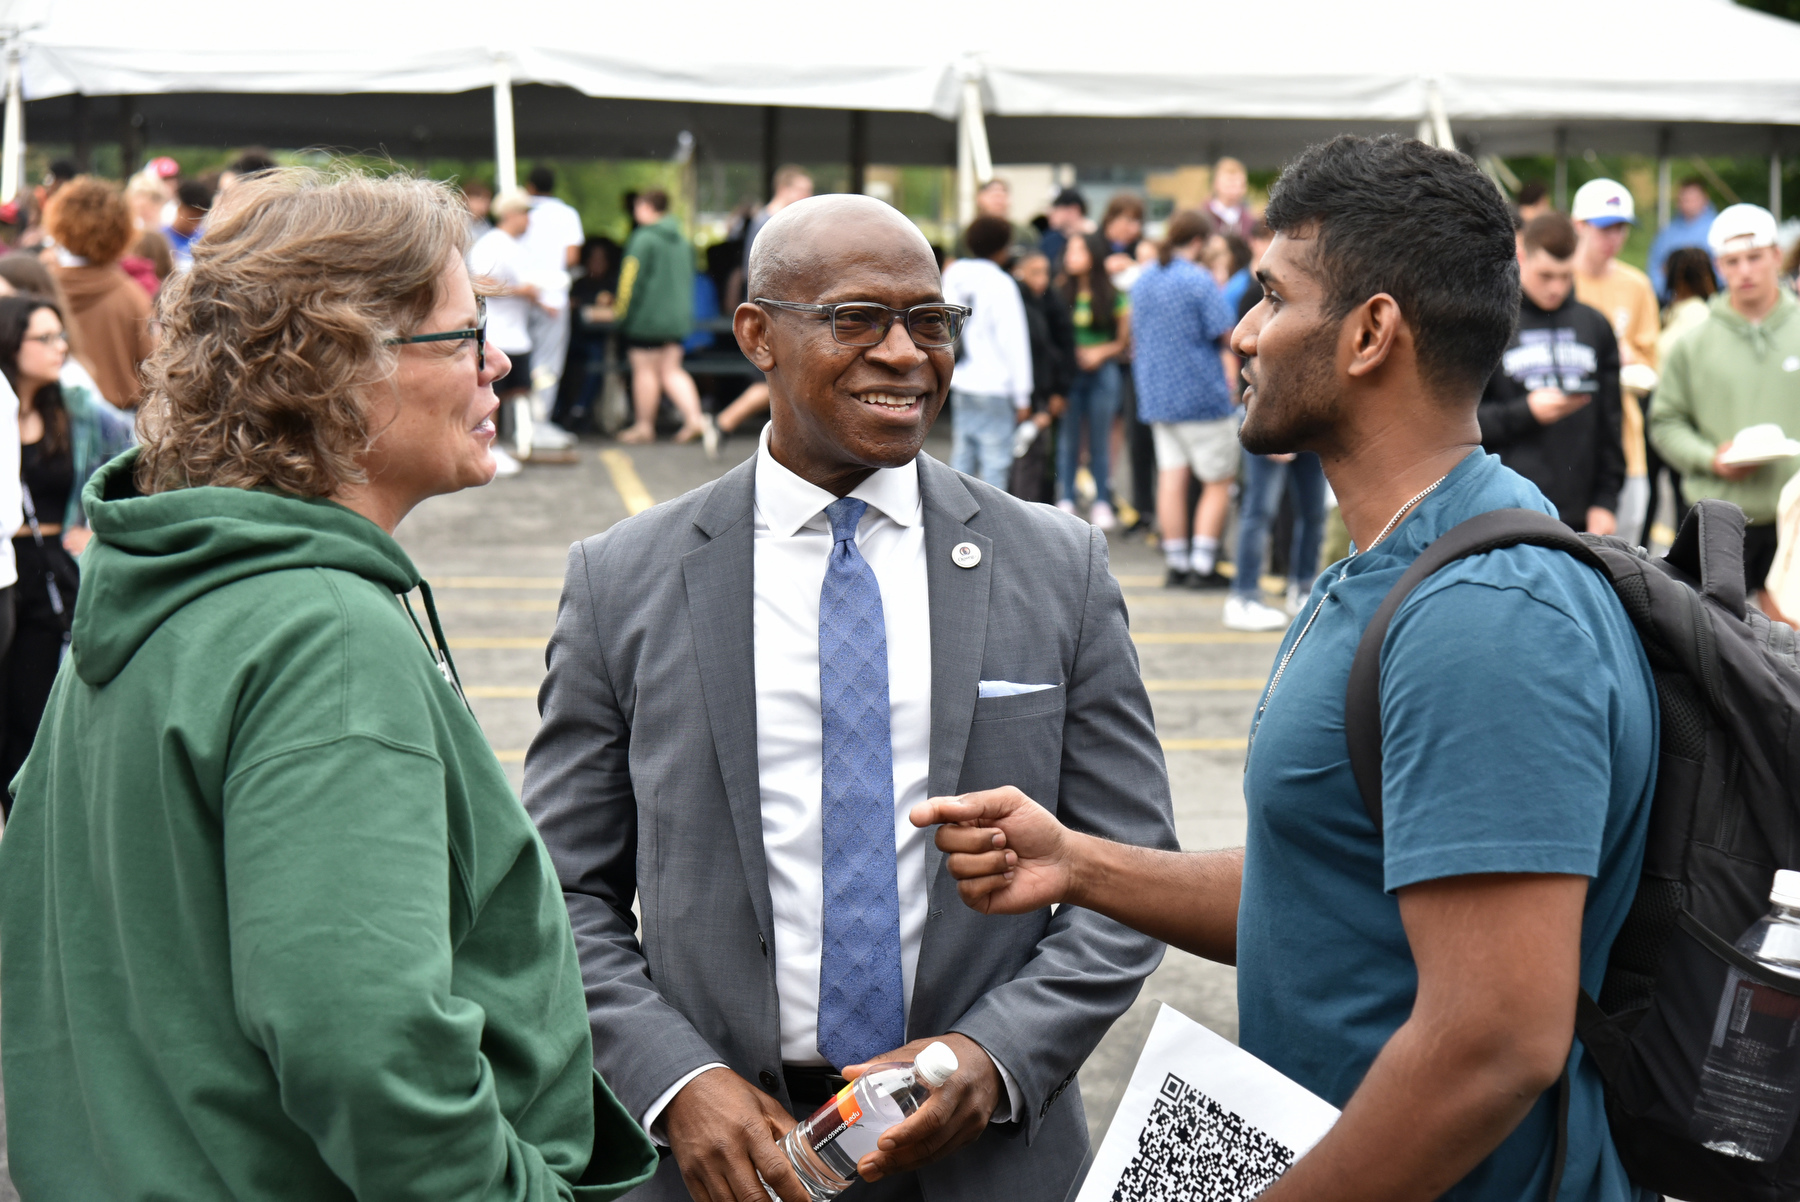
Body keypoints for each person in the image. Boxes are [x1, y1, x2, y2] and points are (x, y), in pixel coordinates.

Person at [917, 134, 1659, 1202]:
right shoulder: (1396, 564)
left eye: (1271, 295)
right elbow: (1331, 886)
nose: (1243, 330)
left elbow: (1493, 1044)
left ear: (1370, 332)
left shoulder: (1486, 615)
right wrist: (1080, 863)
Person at [0, 167, 658, 1198]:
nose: (497, 365)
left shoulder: (166, 589)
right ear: (335, 365)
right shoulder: (323, 636)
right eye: (463, 332)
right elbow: (365, 1040)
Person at [525, 192, 1177, 1202]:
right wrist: (673, 1078)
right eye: (857, 318)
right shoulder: (624, 578)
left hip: (985, 1156)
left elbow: (1129, 869)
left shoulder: (1060, 565)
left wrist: (993, 1054)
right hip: (723, 1157)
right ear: (758, 335)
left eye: (929, 321)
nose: (905, 353)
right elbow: (561, 891)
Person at [0, 295, 131, 791]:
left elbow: (131, 455)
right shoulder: (3, 408)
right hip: (8, 564)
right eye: (45, 338)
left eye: (61, 336)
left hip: (55, 565)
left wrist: (98, 522)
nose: (60, 348)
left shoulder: (73, 407)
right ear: (12, 343)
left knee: (31, 716)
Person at [1651, 202, 1800, 615]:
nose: (1745, 271)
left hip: (1794, 521)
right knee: (1719, 650)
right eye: (1732, 261)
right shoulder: (1692, 343)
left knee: (1791, 647)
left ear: (1775, 255)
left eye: (1754, 257)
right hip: (1717, 519)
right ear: (1718, 265)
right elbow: (1665, 422)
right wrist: (1710, 458)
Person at [1479, 211, 1623, 535]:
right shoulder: (1492, 324)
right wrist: (1526, 411)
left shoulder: (1595, 325)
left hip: (1581, 513)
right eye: (1546, 275)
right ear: (1523, 257)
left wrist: (1607, 500)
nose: (1556, 287)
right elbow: (1466, 422)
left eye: (1566, 276)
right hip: (1507, 507)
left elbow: (1611, 424)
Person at [1127, 210, 1239, 594]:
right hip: (1200, 394)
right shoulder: (1197, 280)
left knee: (1171, 478)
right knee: (1218, 480)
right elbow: (1225, 331)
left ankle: (1175, 561)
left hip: (1157, 394)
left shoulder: (1143, 281)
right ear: (1198, 242)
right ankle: (1203, 563)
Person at [1572, 178, 1659, 545]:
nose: (1614, 238)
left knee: (1626, 551)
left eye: (1621, 228)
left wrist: (1626, 357)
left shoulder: (1636, 285)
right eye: (1605, 228)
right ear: (1579, 226)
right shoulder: (1559, 282)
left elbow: (1651, 363)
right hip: (1568, 441)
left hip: (1626, 440)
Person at [44, 176, 155, 408]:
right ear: (122, 228)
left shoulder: (41, 288)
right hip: (119, 423)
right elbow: (151, 365)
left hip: (55, 417)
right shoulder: (130, 296)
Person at [942, 215, 1032, 489]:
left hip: (962, 380)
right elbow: (1014, 342)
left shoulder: (953, 275)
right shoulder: (1002, 284)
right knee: (995, 468)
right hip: (995, 386)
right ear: (1003, 248)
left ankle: (954, 527)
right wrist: (1023, 395)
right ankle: (995, 531)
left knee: (961, 462)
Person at [614, 189, 705, 445]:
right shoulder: (682, 240)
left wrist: (621, 315)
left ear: (645, 206)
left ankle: (644, 426)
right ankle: (694, 419)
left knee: (645, 371)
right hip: (676, 319)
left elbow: (629, 281)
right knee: (671, 370)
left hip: (647, 319)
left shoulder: (643, 238)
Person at [1641, 246, 1718, 539]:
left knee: (1665, 491)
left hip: (1671, 407)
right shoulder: (1687, 312)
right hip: (1680, 408)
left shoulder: (1694, 318)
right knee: (1670, 491)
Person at [1055, 231, 1129, 527]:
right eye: (1070, 251)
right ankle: (1066, 498)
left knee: (1100, 439)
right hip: (1070, 374)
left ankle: (1101, 501)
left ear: (1094, 256)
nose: (1071, 257)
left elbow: (1123, 339)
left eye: (1079, 251)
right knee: (1068, 439)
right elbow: (1055, 334)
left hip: (1103, 373)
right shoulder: (1060, 290)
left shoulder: (1113, 293)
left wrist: (1100, 352)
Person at [468, 188, 539, 475]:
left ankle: (509, 443)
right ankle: (489, 450)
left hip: (517, 332)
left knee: (516, 389)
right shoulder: (491, 244)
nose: (527, 220)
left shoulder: (513, 245)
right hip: (497, 332)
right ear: (510, 214)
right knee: (491, 392)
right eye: (524, 213)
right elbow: (481, 281)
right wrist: (521, 291)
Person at [521, 165, 585, 445]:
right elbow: (572, 257)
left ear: (530, 186)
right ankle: (538, 422)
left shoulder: (520, 212)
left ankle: (514, 420)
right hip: (552, 297)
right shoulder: (566, 214)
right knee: (546, 363)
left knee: (516, 358)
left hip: (521, 295)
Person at [1010, 248, 1073, 503]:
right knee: (1025, 461)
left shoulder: (1051, 302)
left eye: (1046, 272)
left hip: (1045, 395)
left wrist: (1060, 390)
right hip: (1027, 397)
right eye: (1035, 272)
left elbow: (1064, 346)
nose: (1042, 279)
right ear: (1020, 272)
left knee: (1039, 459)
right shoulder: (1015, 304)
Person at [1647, 177, 1718, 302]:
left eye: (1692, 199)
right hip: (1672, 302)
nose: (1688, 204)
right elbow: (1654, 268)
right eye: (1683, 199)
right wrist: (1667, 296)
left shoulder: (1718, 229)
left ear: (1705, 199)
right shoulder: (1666, 234)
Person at [742, 165, 814, 275]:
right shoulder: (764, 223)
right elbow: (753, 270)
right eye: (802, 190)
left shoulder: (791, 223)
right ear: (783, 189)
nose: (808, 197)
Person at [1037, 187, 1089, 278]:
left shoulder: (1093, 239)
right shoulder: (1049, 239)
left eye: (1055, 208)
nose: (1049, 213)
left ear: (1073, 210)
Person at [163, 179, 211, 272]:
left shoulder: (205, 241)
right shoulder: (162, 238)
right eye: (191, 216)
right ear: (180, 207)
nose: (194, 223)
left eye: (199, 218)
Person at [1205, 156, 1257, 241]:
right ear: (1216, 184)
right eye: (1229, 183)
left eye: (1238, 183)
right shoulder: (1204, 216)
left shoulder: (1249, 221)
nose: (1234, 188)